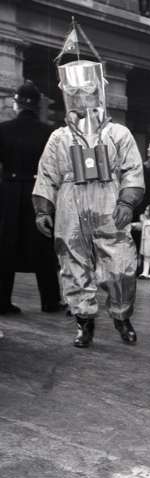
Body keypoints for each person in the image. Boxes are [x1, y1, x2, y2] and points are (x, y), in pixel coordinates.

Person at [32, 59, 144, 348]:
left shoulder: (118, 133)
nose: (82, 97)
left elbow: (133, 169)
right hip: (70, 204)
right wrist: (43, 210)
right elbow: (47, 174)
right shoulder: (59, 137)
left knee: (120, 263)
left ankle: (122, 316)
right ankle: (84, 322)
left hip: (109, 203)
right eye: (75, 92)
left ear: (98, 92)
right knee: (73, 262)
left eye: (88, 90)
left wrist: (127, 202)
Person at [0, 81, 62, 315]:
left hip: (8, 190)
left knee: (5, 245)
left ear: (16, 104)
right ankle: (50, 301)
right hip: (39, 191)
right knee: (42, 245)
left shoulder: (3, 129)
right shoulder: (49, 132)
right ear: (37, 106)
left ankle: (2, 301)